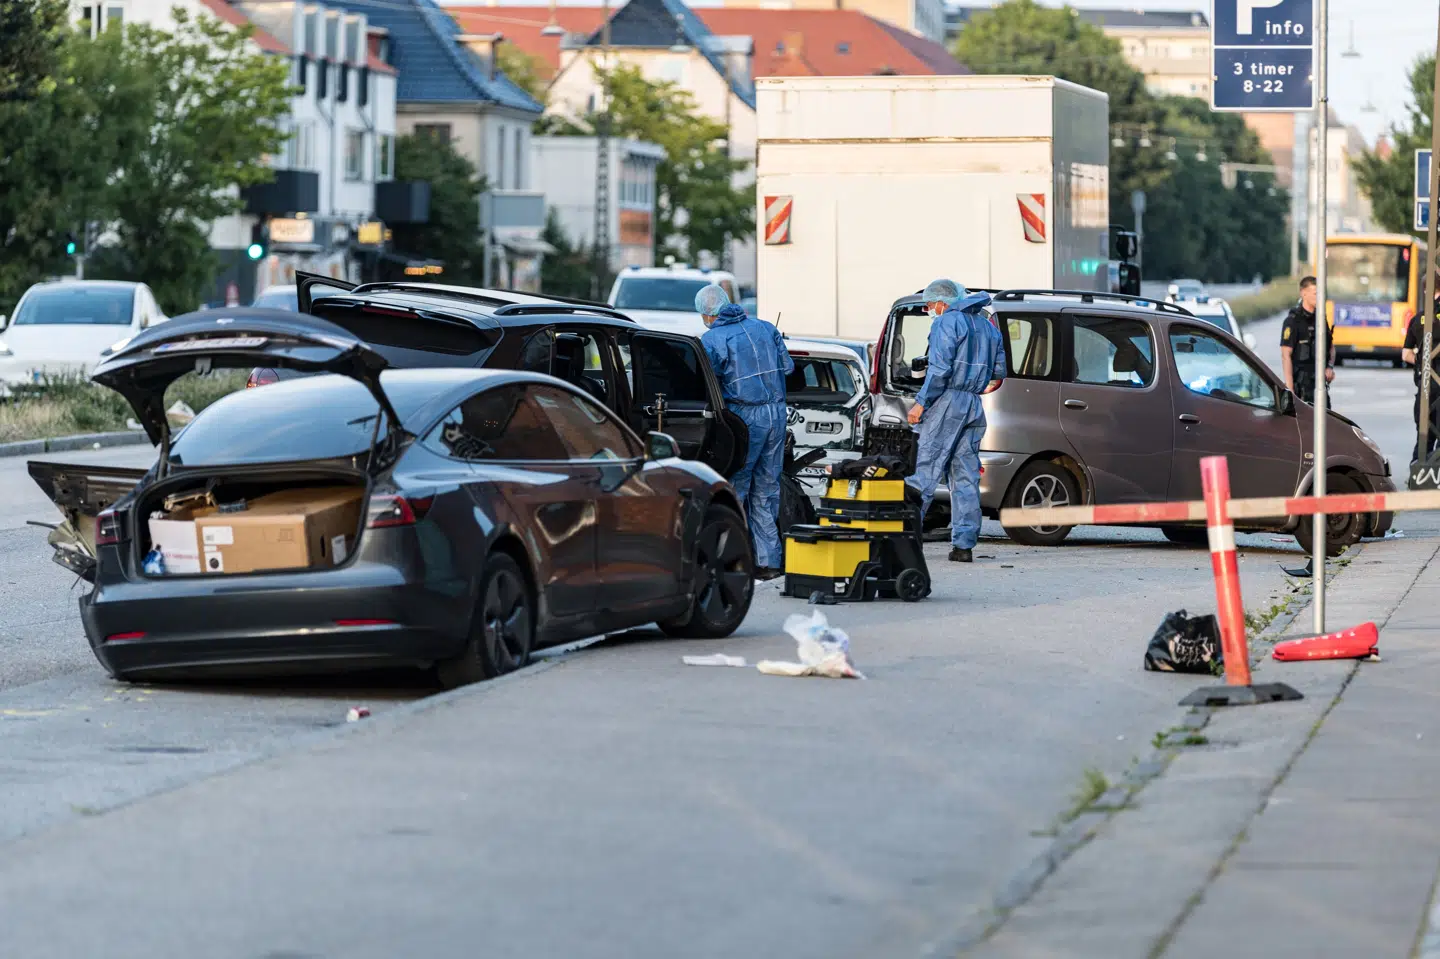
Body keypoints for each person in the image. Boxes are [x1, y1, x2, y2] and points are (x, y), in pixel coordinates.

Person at [696, 284, 794, 580]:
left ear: (707, 313)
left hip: (744, 418)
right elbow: (788, 368)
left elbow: (707, 383)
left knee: (736, 486)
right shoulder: (766, 328)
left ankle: (734, 558)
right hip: (776, 414)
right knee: (767, 488)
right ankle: (769, 561)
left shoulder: (712, 339)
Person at [905, 278, 1006, 563]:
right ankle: (963, 546)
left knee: (924, 470)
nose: (929, 309)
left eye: (929, 304)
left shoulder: (946, 322)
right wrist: (972, 382)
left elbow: (939, 370)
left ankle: (904, 539)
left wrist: (920, 403)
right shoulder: (988, 326)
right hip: (973, 405)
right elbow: (999, 370)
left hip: (946, 402)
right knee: (965, 477)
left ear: (942, 302)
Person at [1280, 276, 1335, 408]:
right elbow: (1286, 355)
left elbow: (1331, 348)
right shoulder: (1292, 321)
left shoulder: (1320, 319)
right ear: (1304, 293)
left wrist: (1329, 367)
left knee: (1326, 419)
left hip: (1319, 386)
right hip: (1300, 388)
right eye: (1316, 293)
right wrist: (1290, 390)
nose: (1319, 297)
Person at [1403, 287, 1440, 464]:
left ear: (1425, 290)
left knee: (1424, 440)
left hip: (1425, 388)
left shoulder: (1418, 318)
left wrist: (1421, 363)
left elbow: (1406, 354)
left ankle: (1418, 474)